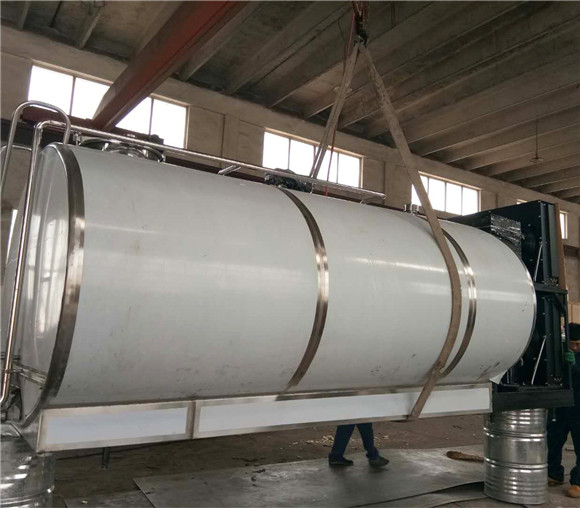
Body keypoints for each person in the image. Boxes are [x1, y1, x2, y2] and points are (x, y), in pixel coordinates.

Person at [547, 322, 580, 499]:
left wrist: (574, 367)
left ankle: (578, 481)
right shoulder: (557, 351)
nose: (574, 348)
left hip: (579, 405)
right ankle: (554, 473)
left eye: (578, 344)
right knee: (554, 438)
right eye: (571, 344)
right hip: (561, 404)